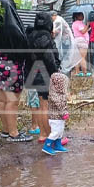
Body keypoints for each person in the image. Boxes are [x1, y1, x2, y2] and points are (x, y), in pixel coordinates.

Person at [0, 0, 32, 142]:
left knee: (3, 99)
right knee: (12, 100)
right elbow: (23, 47)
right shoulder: (13, 28)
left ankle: (6, 130)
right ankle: (14, 133)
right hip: (11, 65)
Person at [25, 12, 60, 143]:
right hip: (44, 72)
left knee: (40, 105)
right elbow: (49, 58)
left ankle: (42, 135)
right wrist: (55, 73)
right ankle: (50, 136)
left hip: (33, 72)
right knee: (45, 106)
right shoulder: (45, 36)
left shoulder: (31, 34)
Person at [43, 73, 70, 156]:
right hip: (55, 118)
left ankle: (58, 145)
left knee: (60, 131)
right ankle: (47, 146)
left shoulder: (60, 93)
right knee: (55, 132)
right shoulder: (55, 95)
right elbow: (60, 106)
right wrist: (65, 113)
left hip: (60, 117)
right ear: (59, 85)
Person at [50, 10, 82, 75]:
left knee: (64, 60)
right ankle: (64, 75)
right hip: (66, 42)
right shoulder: (59, 19)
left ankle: (63, 76)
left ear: (54, 16)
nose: (51, 19)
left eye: (51, 17)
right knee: (65, 60)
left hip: (66, 43)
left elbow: (56, 32)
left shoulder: (58, 21)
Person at [71, 12, 90, 76]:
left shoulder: (74, 23)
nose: (82, 16)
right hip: (82, 41)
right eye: (81, 15)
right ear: (77, 16)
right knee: (82, 58)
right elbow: (83, 31)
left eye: (82, 15)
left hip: (76, 40)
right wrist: (87, 25)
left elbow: (83, 31)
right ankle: (85, 73)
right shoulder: (79, 23)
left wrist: (87, 28)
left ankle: (77, 72)